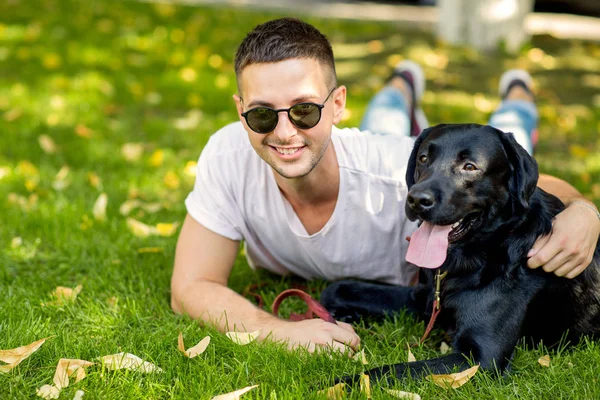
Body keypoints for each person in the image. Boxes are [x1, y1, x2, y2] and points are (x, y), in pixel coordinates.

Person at [170, 17, 600, 354]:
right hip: (403, 145)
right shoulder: (228, 156)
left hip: (392, 149)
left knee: (507, 131)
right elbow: (190, 286)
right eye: (263, 114)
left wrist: (584, 210)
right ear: (240, 109)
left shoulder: (394, 169)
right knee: (393, 124)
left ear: (337, 104)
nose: (284, 133)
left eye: (305, 110)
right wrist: (273, 331)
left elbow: (542, 185)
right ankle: (403, 85)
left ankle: (518, 93)